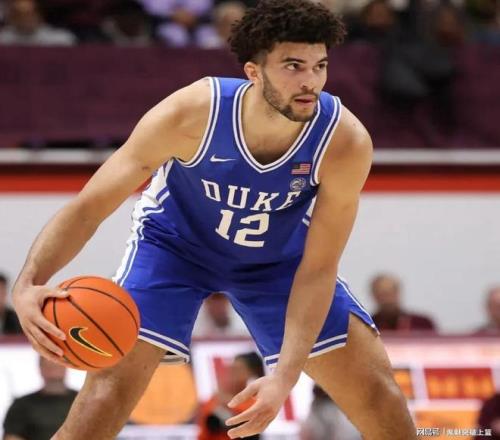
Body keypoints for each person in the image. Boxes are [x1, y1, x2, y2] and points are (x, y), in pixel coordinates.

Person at [12, 1, 416, 439]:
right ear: (254, 72)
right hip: (174, 248)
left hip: (278, 261)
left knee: (380, 397)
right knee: (105, 398)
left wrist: (284, 378)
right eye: (293, 66)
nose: (310, 81)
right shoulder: (193, 113)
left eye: (319, 66)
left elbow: (319, 268)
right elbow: (89, 206)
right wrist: (28, 284)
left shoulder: (344, 141)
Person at [2, 356, 77, 440]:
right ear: (40, 368)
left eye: (58, 365)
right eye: (49, 366)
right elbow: (11, 437)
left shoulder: (82, 402)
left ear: (66, 367)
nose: (54, 369)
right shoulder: (21, 405)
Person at [198, 352, 264, 440]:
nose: (233, 372)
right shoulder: (216, 398)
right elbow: (205, 428)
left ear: (251, 373)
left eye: (238, 369)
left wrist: (227, 403)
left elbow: (249, 425)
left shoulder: (255, 400)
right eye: (232, 368)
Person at [370, 273, 437, 332]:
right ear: (374, 295)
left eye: (390, 293)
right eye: (382, 294)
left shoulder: (423, 324)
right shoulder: (368, 326)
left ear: (398, 292)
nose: (387, 299)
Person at [0, 0, 76, 46]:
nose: (26, 20)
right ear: (12, 18)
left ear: (39, 15)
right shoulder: (3, 39)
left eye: (29, 14)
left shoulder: (61, 39)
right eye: (20, 15)